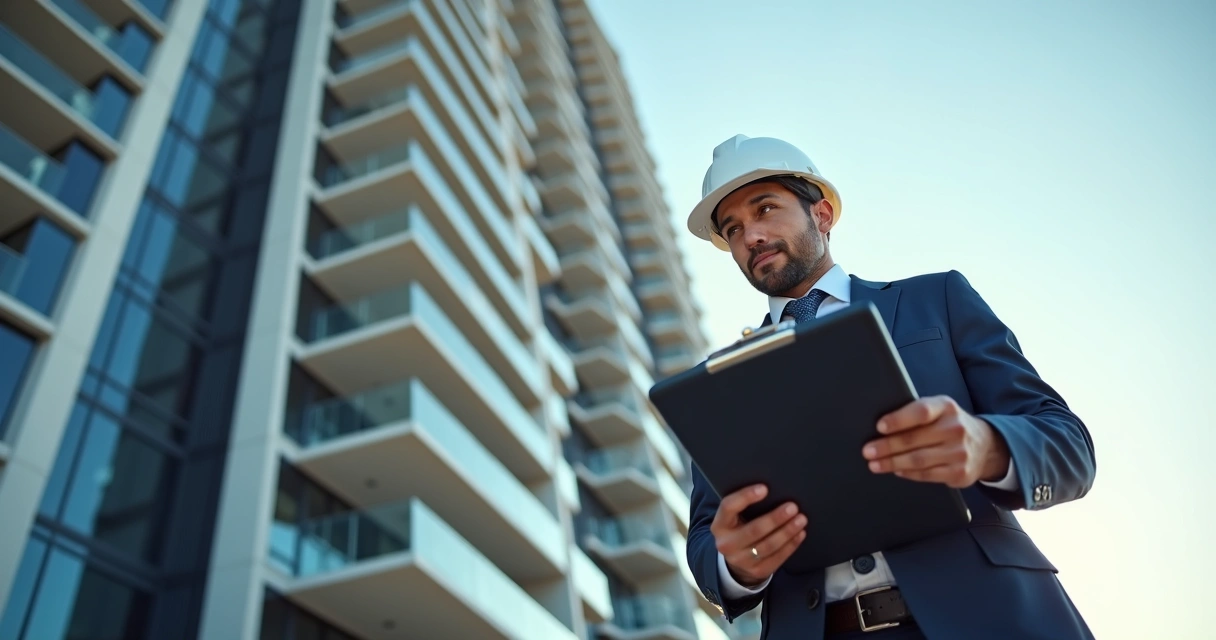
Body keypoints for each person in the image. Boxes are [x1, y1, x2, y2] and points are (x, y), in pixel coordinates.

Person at [682, 134, 1097, 640]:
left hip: (990, 617)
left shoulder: (935, 298)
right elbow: (706, 543)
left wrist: (986, 446)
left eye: (765, 209)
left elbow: (1068, 446)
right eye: (733, 229)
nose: (751, 237)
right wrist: (737, 564)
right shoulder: (721, 382)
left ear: (822, 215)